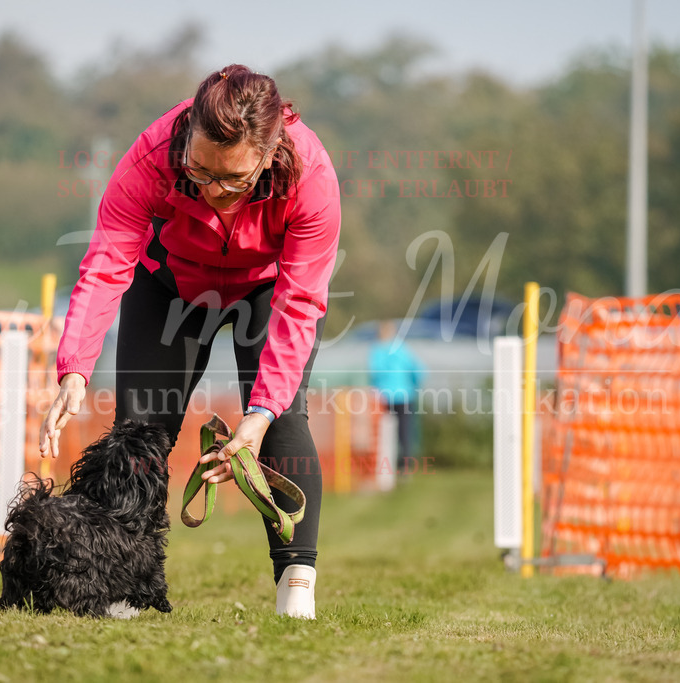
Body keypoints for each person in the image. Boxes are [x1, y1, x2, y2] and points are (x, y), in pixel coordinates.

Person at [39, 64, 340, 619]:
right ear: (185, 141)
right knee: (139, 431)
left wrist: (260, 413)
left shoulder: (311, 175)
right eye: (199, 171)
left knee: (283, 419)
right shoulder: (151, 156)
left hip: (266, 290)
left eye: (235, 181)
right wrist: (75, 368)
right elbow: (107, 263)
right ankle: (127, 582)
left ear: (270, 155)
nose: (213, 192)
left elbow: (299, 303)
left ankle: (296, 578)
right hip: (170, 284)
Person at [367, 320, 425, 477]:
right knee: (405, 433)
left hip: (383, 398)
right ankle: (405, 468)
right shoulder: (402, 349)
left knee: (382, 434)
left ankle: (385, 468)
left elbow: (374, 373)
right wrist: (414, 385)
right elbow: (418, 370)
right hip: (405, 395)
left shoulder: (377, 350)